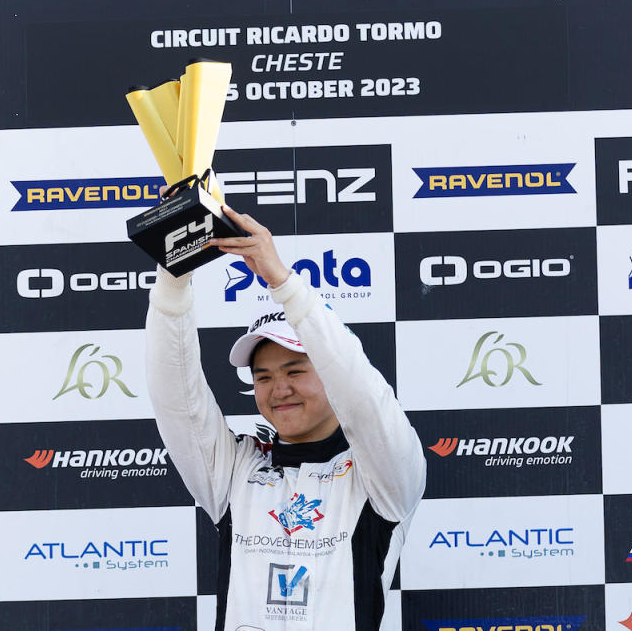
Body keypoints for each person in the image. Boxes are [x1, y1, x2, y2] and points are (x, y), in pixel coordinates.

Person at [145, 202, 426, 631]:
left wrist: (282, 282)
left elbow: (362, 392)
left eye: (295, 370)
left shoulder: (382, 475)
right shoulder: (236, 470)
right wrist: (172, 280)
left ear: (329, 373)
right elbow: (176, 398)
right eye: (263, 376)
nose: (279, 389)